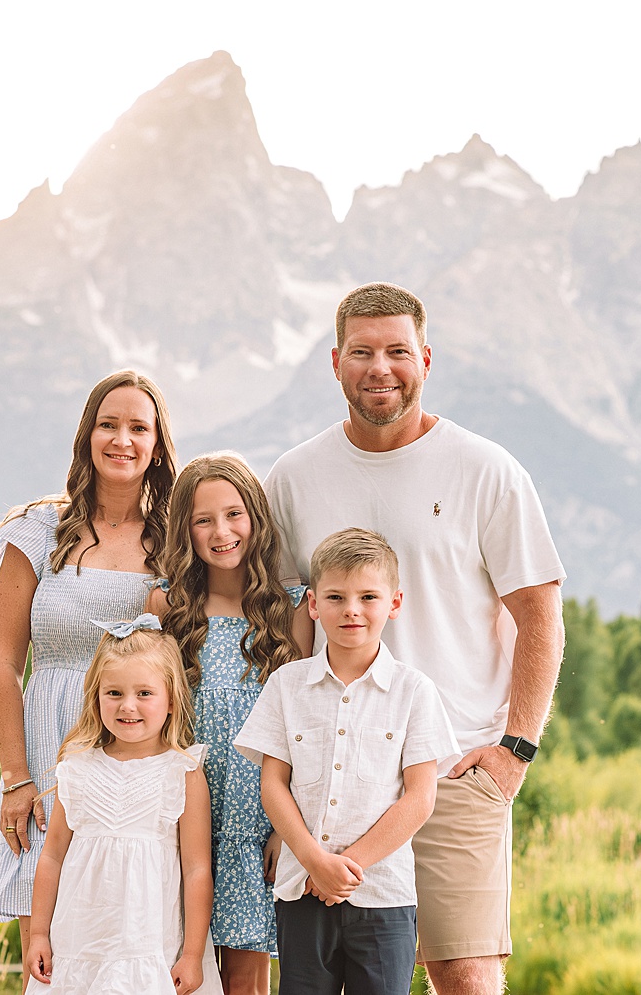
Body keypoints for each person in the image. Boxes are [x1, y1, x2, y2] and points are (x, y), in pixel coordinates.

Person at [264, 283, 566, 995]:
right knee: (329, 981)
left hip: (454, 765)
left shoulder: (485, 470)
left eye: (398, 351)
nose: (381, 368)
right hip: (327, 777)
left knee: (463, 975)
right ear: (335, 362)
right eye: (363, 352)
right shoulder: (295, 478)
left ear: (425, 358)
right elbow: (280, 623)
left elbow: (541, 616)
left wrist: (514, 751)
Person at [0, 370, 177, 943]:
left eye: (138, 427)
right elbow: (2, 663)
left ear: (158, 444)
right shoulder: (40, 532)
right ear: (86, 436)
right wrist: (15, 776)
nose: (122, 440)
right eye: (108, 424)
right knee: (44, 950)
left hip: (136, 754)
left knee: (129, 943)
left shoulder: (174, 542)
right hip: (44, 751)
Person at [234, 528, 459, 995]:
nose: (351, 610)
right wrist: (316, 861)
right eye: (335, 597)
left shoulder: (414, 691)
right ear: (313, 604)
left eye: (368, 597)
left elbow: (420, 798)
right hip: (302, 891)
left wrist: (348, 865)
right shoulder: (286, 685)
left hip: (383, 897)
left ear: (394, 603)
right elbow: (273, 785)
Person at [145, 453, 315, 995]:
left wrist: (288, 827)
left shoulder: (291, 608)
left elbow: (305, 729)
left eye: (234, 514)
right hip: (181, 813)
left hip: (257, 819)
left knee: (245, 978)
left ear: (256, 519)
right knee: (177, 970)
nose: (221, 532)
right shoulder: (166, 605)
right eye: (203, 520)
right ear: (185, 530)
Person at [22, 618, 222, 995]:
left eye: (144, 693)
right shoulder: (78, 766)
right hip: (79, 944)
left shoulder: (183, 771)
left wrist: (192, 954)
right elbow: (51, 859)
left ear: (171, 699)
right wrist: (38, 935)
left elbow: (197, 869)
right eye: (114, 693)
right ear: (96, 697)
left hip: (150, 946)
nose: (128, 706)